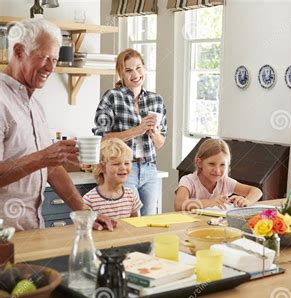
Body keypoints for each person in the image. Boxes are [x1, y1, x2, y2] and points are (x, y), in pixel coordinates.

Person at [0, 18, 116, 231]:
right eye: (44, 58)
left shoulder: (34, 104)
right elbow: (43, 160)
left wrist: (85, 212)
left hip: (32, 230)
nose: (50, 68)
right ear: (18, 51)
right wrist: (42, 157)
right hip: (4, 236)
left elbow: (51, 168)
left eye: (54, 59)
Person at [93, 48, 167, 216]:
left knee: (149, 222)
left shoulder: (156, 100)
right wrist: (137, 130)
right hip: (124, 169)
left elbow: (161, 143)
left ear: (144, 68)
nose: (135, 74)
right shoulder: (112, 97)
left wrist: (153, 132)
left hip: (149, 169)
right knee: (131, 221)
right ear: (121, 74)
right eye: (128, 70)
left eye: (138, 68)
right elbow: (102, 138)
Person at [175, 138, 263, 211]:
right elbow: (179, 205)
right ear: (199, 163)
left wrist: (246, 200)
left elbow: (257, 191)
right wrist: (210, 202)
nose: (217, 170)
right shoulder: (188, 181)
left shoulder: (225, 181)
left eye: (222, 165)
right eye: (211, 164)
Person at [83, 139, 142, 221]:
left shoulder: (131, 195)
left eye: (127, 163)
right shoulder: (89, 200)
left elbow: (135, 224)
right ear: (101, 168)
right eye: (116, 164)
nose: (123, 167)